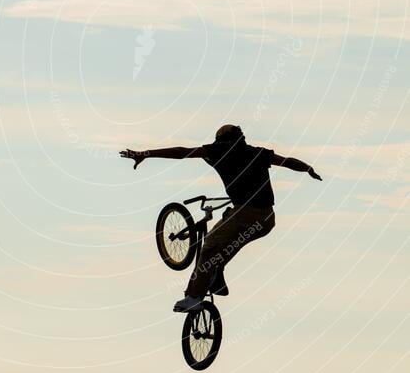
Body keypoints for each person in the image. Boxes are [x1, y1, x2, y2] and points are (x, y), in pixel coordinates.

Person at [120, 124, 322, 312]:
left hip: (246, 212)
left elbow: (182, 152)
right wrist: (308, 168)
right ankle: (216, 276)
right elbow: (287, 162)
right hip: (266, 219)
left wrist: (146, 154)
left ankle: (194, 297)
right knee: (226, 247)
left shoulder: (220, 150)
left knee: (209, 246)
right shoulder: (256, 152)